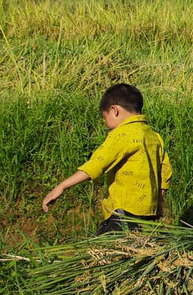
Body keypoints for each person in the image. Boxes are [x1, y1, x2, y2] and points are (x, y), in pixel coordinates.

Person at [42, 83, 172, 235]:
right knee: (136, 247)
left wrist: (62, 186)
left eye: (105, 118)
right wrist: (158, 202)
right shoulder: (154, 136)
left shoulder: (122, 134)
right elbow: (165, 172)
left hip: (124, 211)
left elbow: (97, 164)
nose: (106, 124)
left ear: (114, 110)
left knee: (108, 247)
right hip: (148, 213)